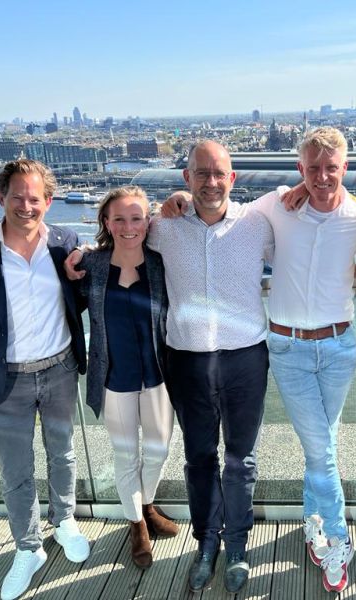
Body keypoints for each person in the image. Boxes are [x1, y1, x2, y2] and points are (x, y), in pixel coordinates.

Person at [162, 127, 356, 593]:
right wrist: (175, 197)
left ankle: (290, 531)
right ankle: (331, 539)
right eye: (312, 168)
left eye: (331, 168)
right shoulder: (265, 209)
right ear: (299, 169)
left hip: (323, 348)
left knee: (313, 446)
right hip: (262, 349)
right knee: (302, 450)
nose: (321, 177)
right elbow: (127, 231)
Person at [67, 141, 273, 594]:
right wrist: (78, 254)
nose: (211, 182)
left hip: (245, 358)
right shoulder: (164, 227)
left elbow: (310, 229)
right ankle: (206, 544)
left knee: (241, 460)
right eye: (202, 173)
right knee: (199, 459)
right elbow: (120, 236)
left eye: (220, 173)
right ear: (186, 179)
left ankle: (236, 545)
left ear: (233, 178)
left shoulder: (259, 223)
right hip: (187, 361)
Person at [0, 159, 90, 600]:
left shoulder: (65, 242)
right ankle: (27, 546)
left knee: (62, 454)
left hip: (61, 367)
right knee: (15, 469)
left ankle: (64, 520)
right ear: (0, 197)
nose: (27, 206)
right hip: (3, 377)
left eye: (35, 198)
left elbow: (78, 300)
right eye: (17, 197)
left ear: (48, 200)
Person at [77, 186, 178, 570]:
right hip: (113, 377)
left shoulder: (160, 264)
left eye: (136, 218)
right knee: (125, 454)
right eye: (119, 218)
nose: (128, 226)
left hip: (158, 375)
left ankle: (147, 504)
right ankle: (136, 525)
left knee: (158, 450)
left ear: (148, 221)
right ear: (106, 222)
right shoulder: (92, 266)